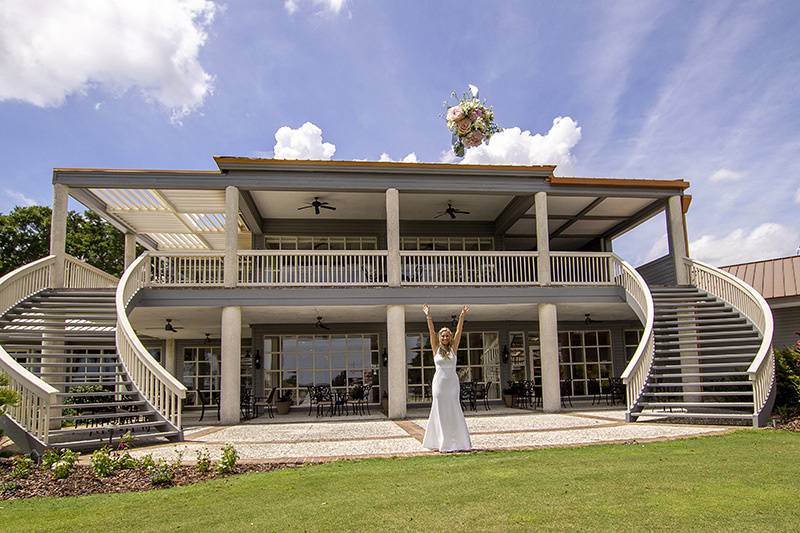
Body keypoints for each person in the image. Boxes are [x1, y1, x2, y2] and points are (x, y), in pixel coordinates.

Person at [421, 303, 472, 452]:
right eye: (442, 335)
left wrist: (462, 316)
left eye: (447, 335)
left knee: (454, 409)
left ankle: (458, 442)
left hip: (452, 384)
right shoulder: (436, 348)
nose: (444, 337)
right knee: (439, 410)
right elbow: (431, 331)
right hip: (439, 385)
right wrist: (428, 315)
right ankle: (440, 441)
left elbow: (459, 330)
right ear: (439, 337)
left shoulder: (453, 348)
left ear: (450, 338)